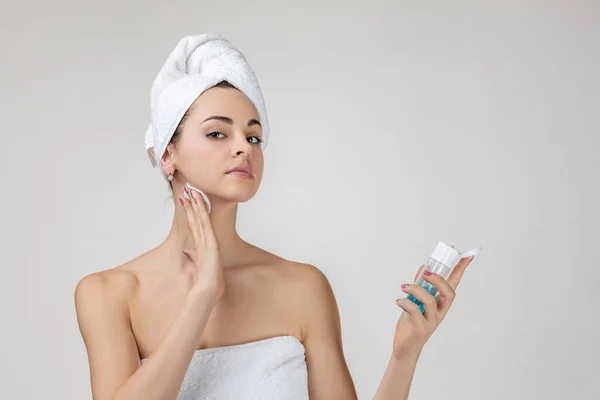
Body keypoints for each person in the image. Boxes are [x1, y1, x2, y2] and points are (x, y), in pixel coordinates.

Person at [74, 34, 476, 400]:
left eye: (253, 137)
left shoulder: (304, 287)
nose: (243, 148)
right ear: (167, 155)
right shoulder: (109, 294)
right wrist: (202, 296)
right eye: (218, 133)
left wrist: (404, 356)